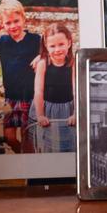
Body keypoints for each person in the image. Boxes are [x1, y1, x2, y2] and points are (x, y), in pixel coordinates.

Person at [0, 0, 42, 153]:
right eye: (8, 23)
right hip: (10, 98)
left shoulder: (35, 40)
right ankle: (22, 156)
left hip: (29, 97)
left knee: (28, 137)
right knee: (9, 137)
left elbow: (49, 53)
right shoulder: (3, 41)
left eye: (16, 21)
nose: (13, 26)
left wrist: (41, 57)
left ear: (24, 19)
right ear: (2, 24)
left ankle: (28, 163)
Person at [31, 23, 76, 153]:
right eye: (52, 46)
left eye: (61, 44)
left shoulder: (73, 64)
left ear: (69, 42)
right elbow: (38, 92)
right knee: (46, 146)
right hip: (46, 109)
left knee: (68, 145)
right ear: (46, 46)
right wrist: (40, 115)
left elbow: (76, 91)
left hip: (67, 110)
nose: (57, 50)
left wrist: (76, 113)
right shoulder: (42, 64)